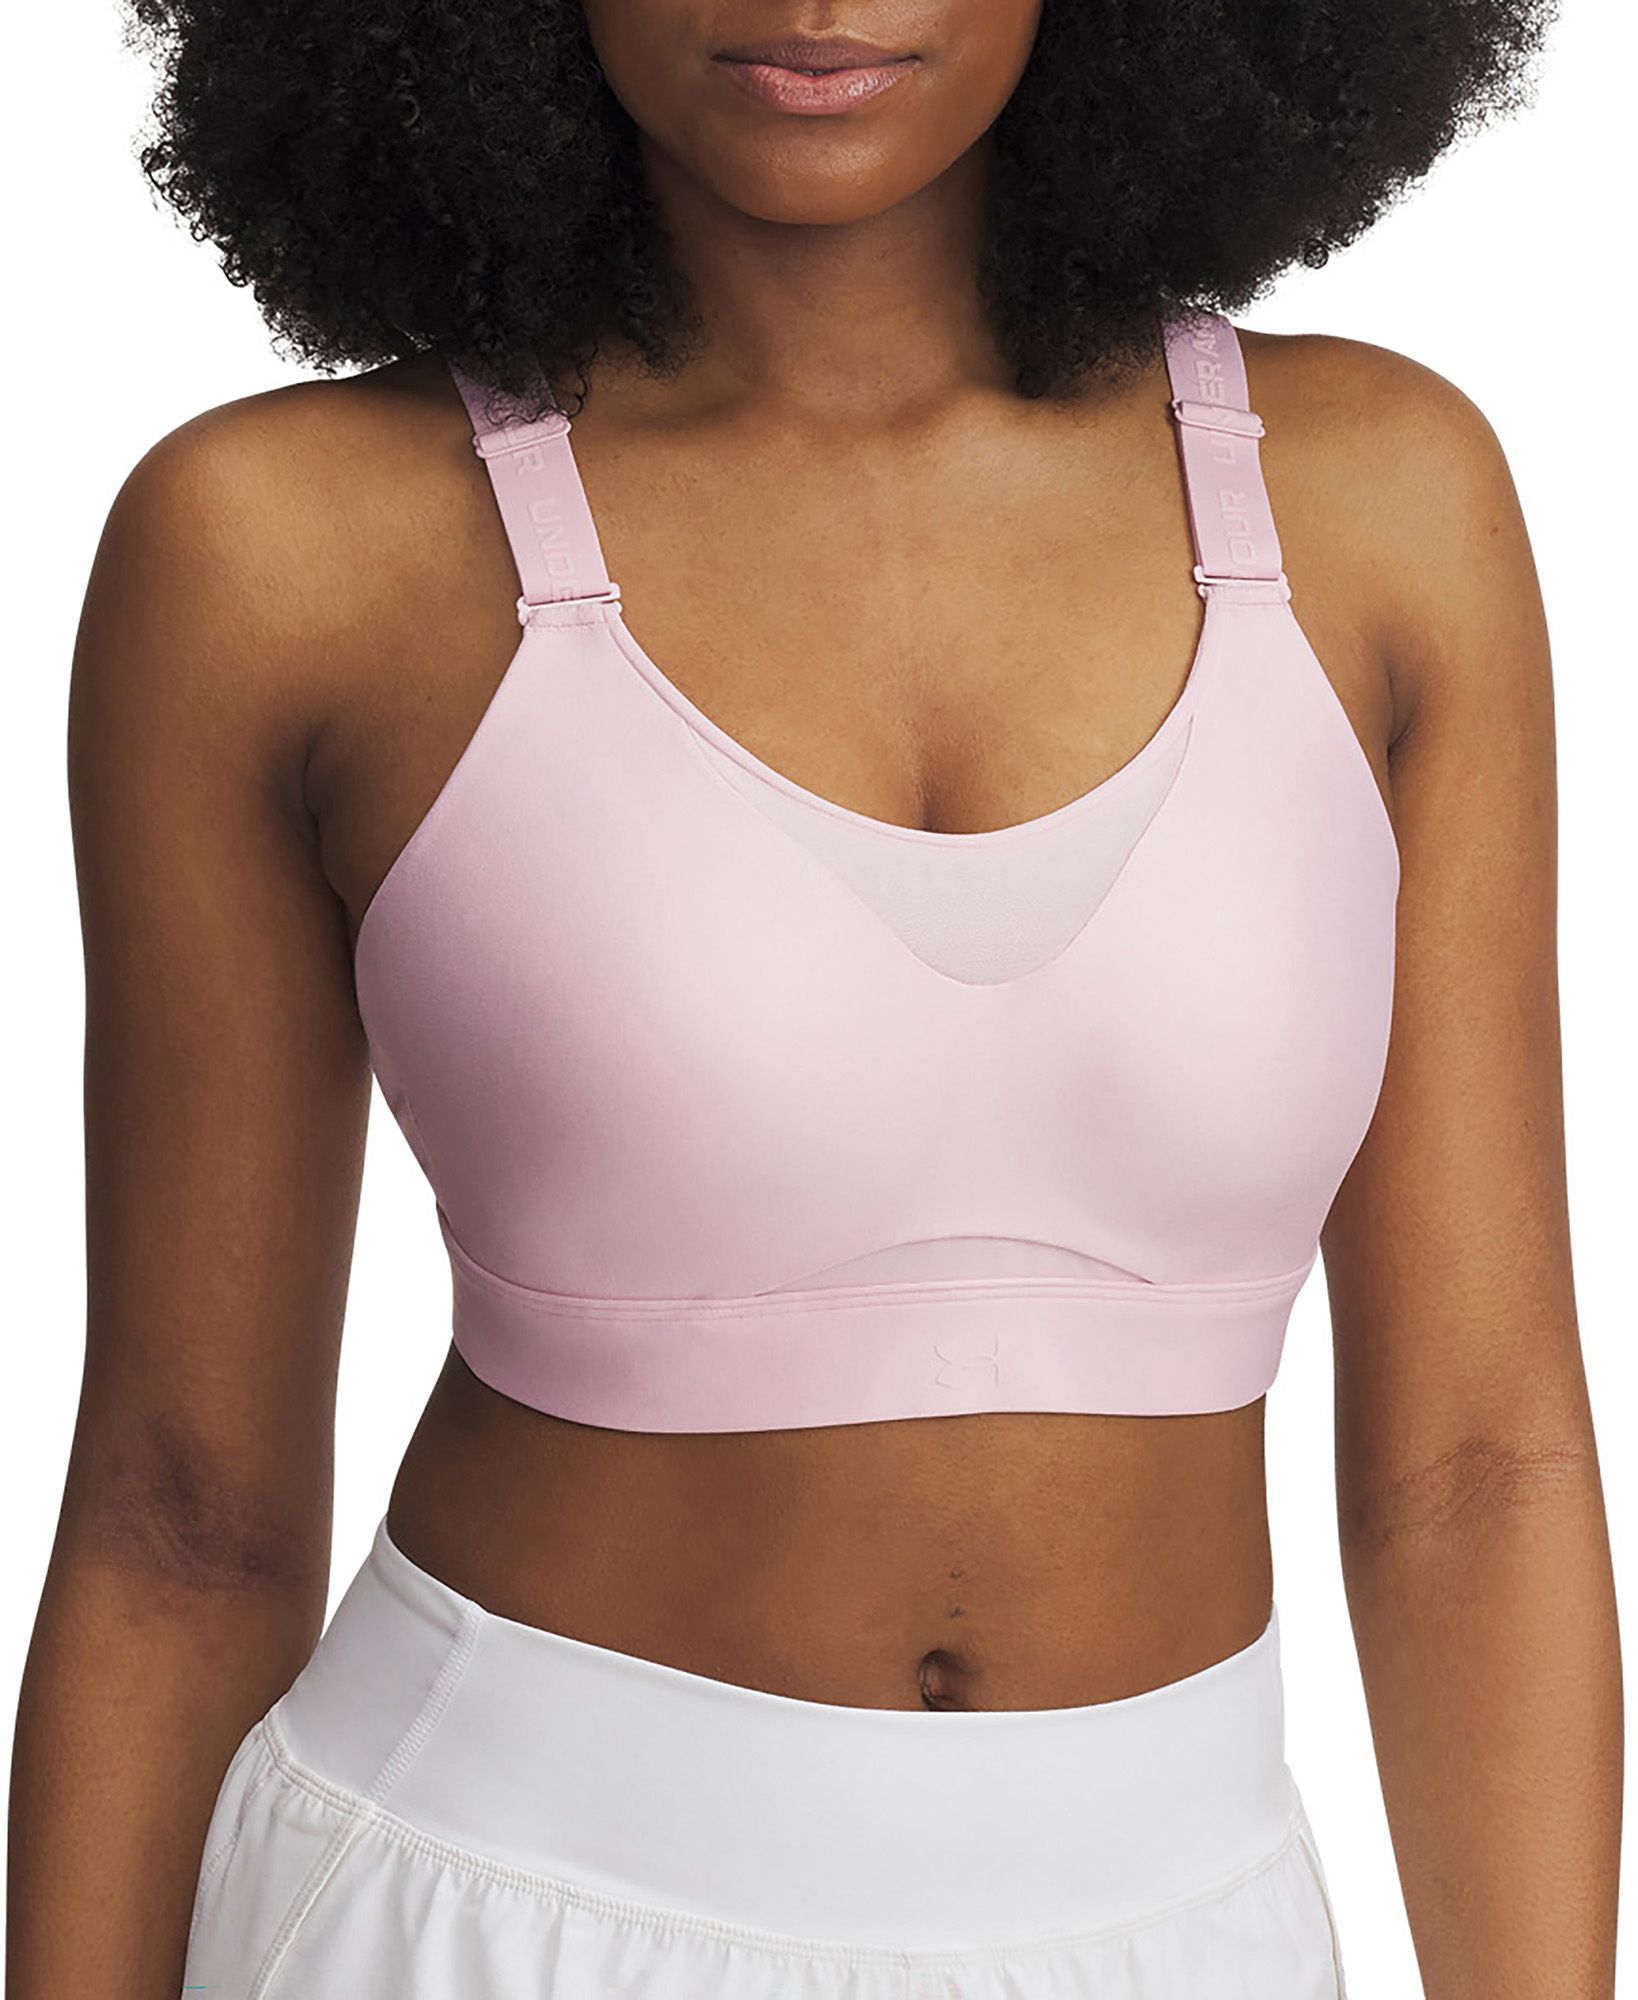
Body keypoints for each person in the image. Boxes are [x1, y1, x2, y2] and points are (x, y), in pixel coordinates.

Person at [9, 0, 1620, 1995]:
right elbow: (182, 1524)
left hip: (1187, 1928)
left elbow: (1479, 1469)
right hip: (480, 1911)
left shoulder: (1379, 508)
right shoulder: (285, 547)